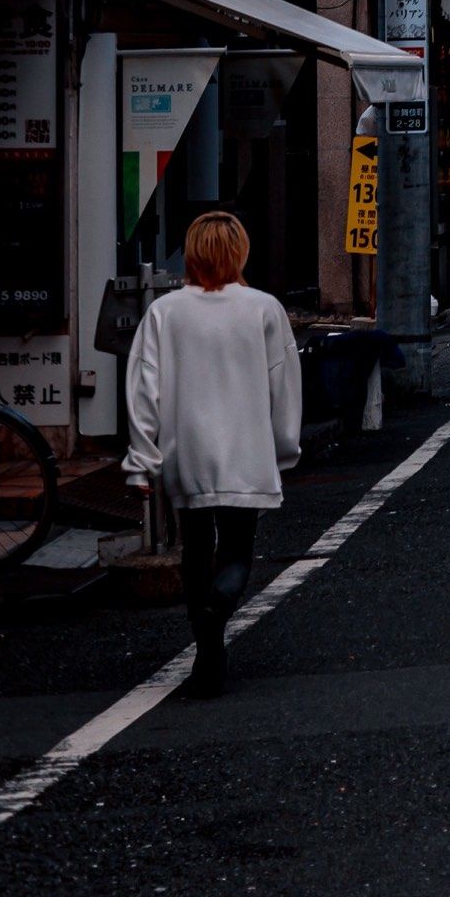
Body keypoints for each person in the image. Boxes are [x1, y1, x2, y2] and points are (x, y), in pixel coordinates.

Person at [122, 208, 301, 699]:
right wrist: (283, 448)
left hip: (187, 451)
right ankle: (218, 607)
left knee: (196, 547)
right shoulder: (264, 308)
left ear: (192, 254)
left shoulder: (165, 313)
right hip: (247, 449)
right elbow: (284, 387)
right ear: (240, 252)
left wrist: (141, 460)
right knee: (237, 548)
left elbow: (144, 389)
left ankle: (208, 649)